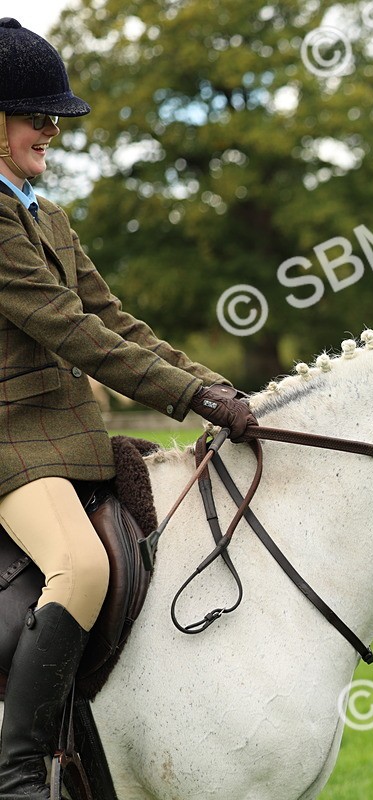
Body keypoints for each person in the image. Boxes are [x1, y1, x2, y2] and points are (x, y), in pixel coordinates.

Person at [0, 18, 256, 799]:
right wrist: (188, 396)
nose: (51, 130)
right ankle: (16, 776)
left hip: (71, 434)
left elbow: (116, 320)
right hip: (12, 440)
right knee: (79, 567)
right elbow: (69, 330)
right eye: (35, 116)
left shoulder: (45, 213)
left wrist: (219, 389)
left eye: (55, 118)